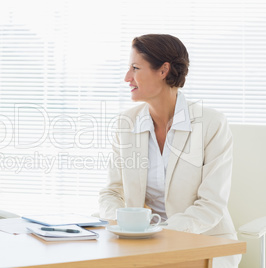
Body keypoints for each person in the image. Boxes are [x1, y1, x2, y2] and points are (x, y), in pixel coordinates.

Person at [99, 34, 240, 267]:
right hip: (140, 242)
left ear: (163, 70)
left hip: (204, 241)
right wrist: (124, 224)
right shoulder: (127, 123)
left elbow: (211, 205)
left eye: (135, 68)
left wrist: (159, 232)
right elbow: (112, 192)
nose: (127, 78)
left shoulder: (211, 124)